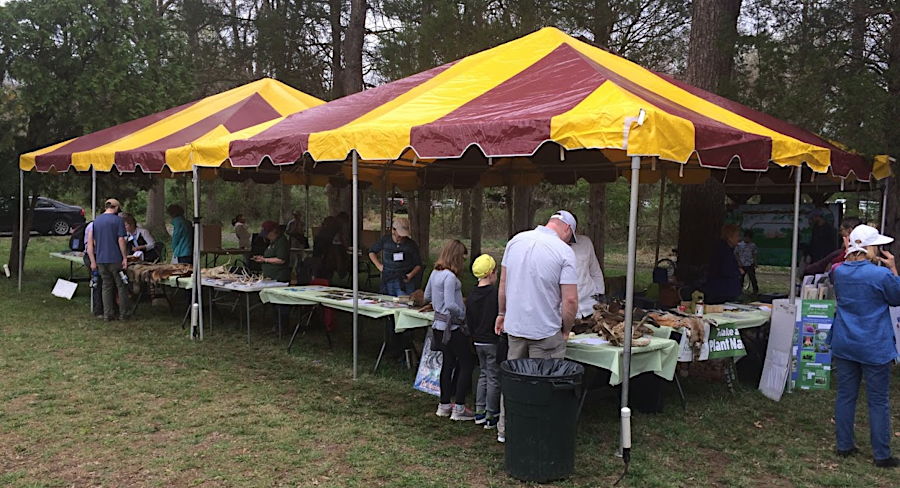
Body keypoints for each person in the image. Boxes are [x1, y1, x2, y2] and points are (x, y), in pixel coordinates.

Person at [495, 210, 579, 443]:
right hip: (546, 329)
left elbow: (503, 283)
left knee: (514, 379)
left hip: (516, 326)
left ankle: (506, 429)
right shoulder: (564, 252)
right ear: (567, 229)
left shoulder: (515, 241)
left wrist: (502, 313)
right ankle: (540, 432)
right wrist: (565, 329)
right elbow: (570, 300)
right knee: (545, 385)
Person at [828, 225, 900, 468]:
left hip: (845, 340)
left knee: (846, 395)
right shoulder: (881, 275)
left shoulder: (838, 272)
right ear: (871, 248)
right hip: (873, 343)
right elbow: (897, 298)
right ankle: (881, 454)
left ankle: (844, 444)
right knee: (878, 400)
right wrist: (893, 269)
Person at [424, 240, 474, 421]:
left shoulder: (435, 273)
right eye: (462, 257)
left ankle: (444, 404)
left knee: (448, 363)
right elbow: (451, 304)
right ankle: (459, 407)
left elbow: (427, 296)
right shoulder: (451, 277)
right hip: (451, 327)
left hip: (438, 325)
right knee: (467, 363)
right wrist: (463, 315)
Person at [467, 254, 500, 429]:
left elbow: (469, 319)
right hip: (491, 341)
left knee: (483, 374)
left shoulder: (472, 294)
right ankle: (491, 413)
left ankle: (479, 411)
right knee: (493, 376)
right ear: (490, 273)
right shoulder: (494, 295)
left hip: (478, 340)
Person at [87, 199, 130, 321]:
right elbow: (121, 240)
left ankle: (108, 314)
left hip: (101, 259)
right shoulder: (118, 221)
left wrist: (94, 260)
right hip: (115, 258)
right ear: (116, 208)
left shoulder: (96, 221)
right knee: (121, 286)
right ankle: (124, 313)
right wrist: (124, 257)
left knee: (106, 286)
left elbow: (93, 242)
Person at [368, 217, 423, 296]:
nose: (402, 237)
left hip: (404, 281)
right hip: (388, 278)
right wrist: (379, 266)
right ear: (393, 230)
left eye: (404, 235)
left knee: (405, 305)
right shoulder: (385, 240)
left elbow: (418, 264)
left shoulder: (411, 244)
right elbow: (371, 252)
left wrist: (410, 275)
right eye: (400, 235)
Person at [253, 220, 292, 330]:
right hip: (272, 277)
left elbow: (281, 259)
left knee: (281, 303)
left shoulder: (282, 242)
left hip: (280, 277)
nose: (267, 237)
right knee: (274, 303)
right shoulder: (273, 243)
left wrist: (265, 260)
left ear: (274, 231)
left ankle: (283, 327)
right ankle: (277, 325)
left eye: (268, 234)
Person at [567, 215, 606, 318]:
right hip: (566, 311)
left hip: (589, 305)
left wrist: (600, 297)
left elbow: (595, 272)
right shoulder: (552, 247)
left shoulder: (585, 242)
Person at [705, 224, 743, 304]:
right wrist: (738, 271)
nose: (739, 239)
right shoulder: (724, 251)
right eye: (737, 236)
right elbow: (727, 270)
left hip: (723, 291)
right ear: (729, 237)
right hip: (723, 293)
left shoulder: (727, 250)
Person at [735, 229, 758, 295]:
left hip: (750, 263)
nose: (747, 240)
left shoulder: (752, 245)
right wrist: (738, 261)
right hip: (742, 264)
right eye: (746, 238)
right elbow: (736, 253)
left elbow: (754, 254)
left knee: (752, 278)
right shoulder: (740, 245)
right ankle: (739, 290)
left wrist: (755, 262)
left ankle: (755, 290)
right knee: (741, 279)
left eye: (749, 238)